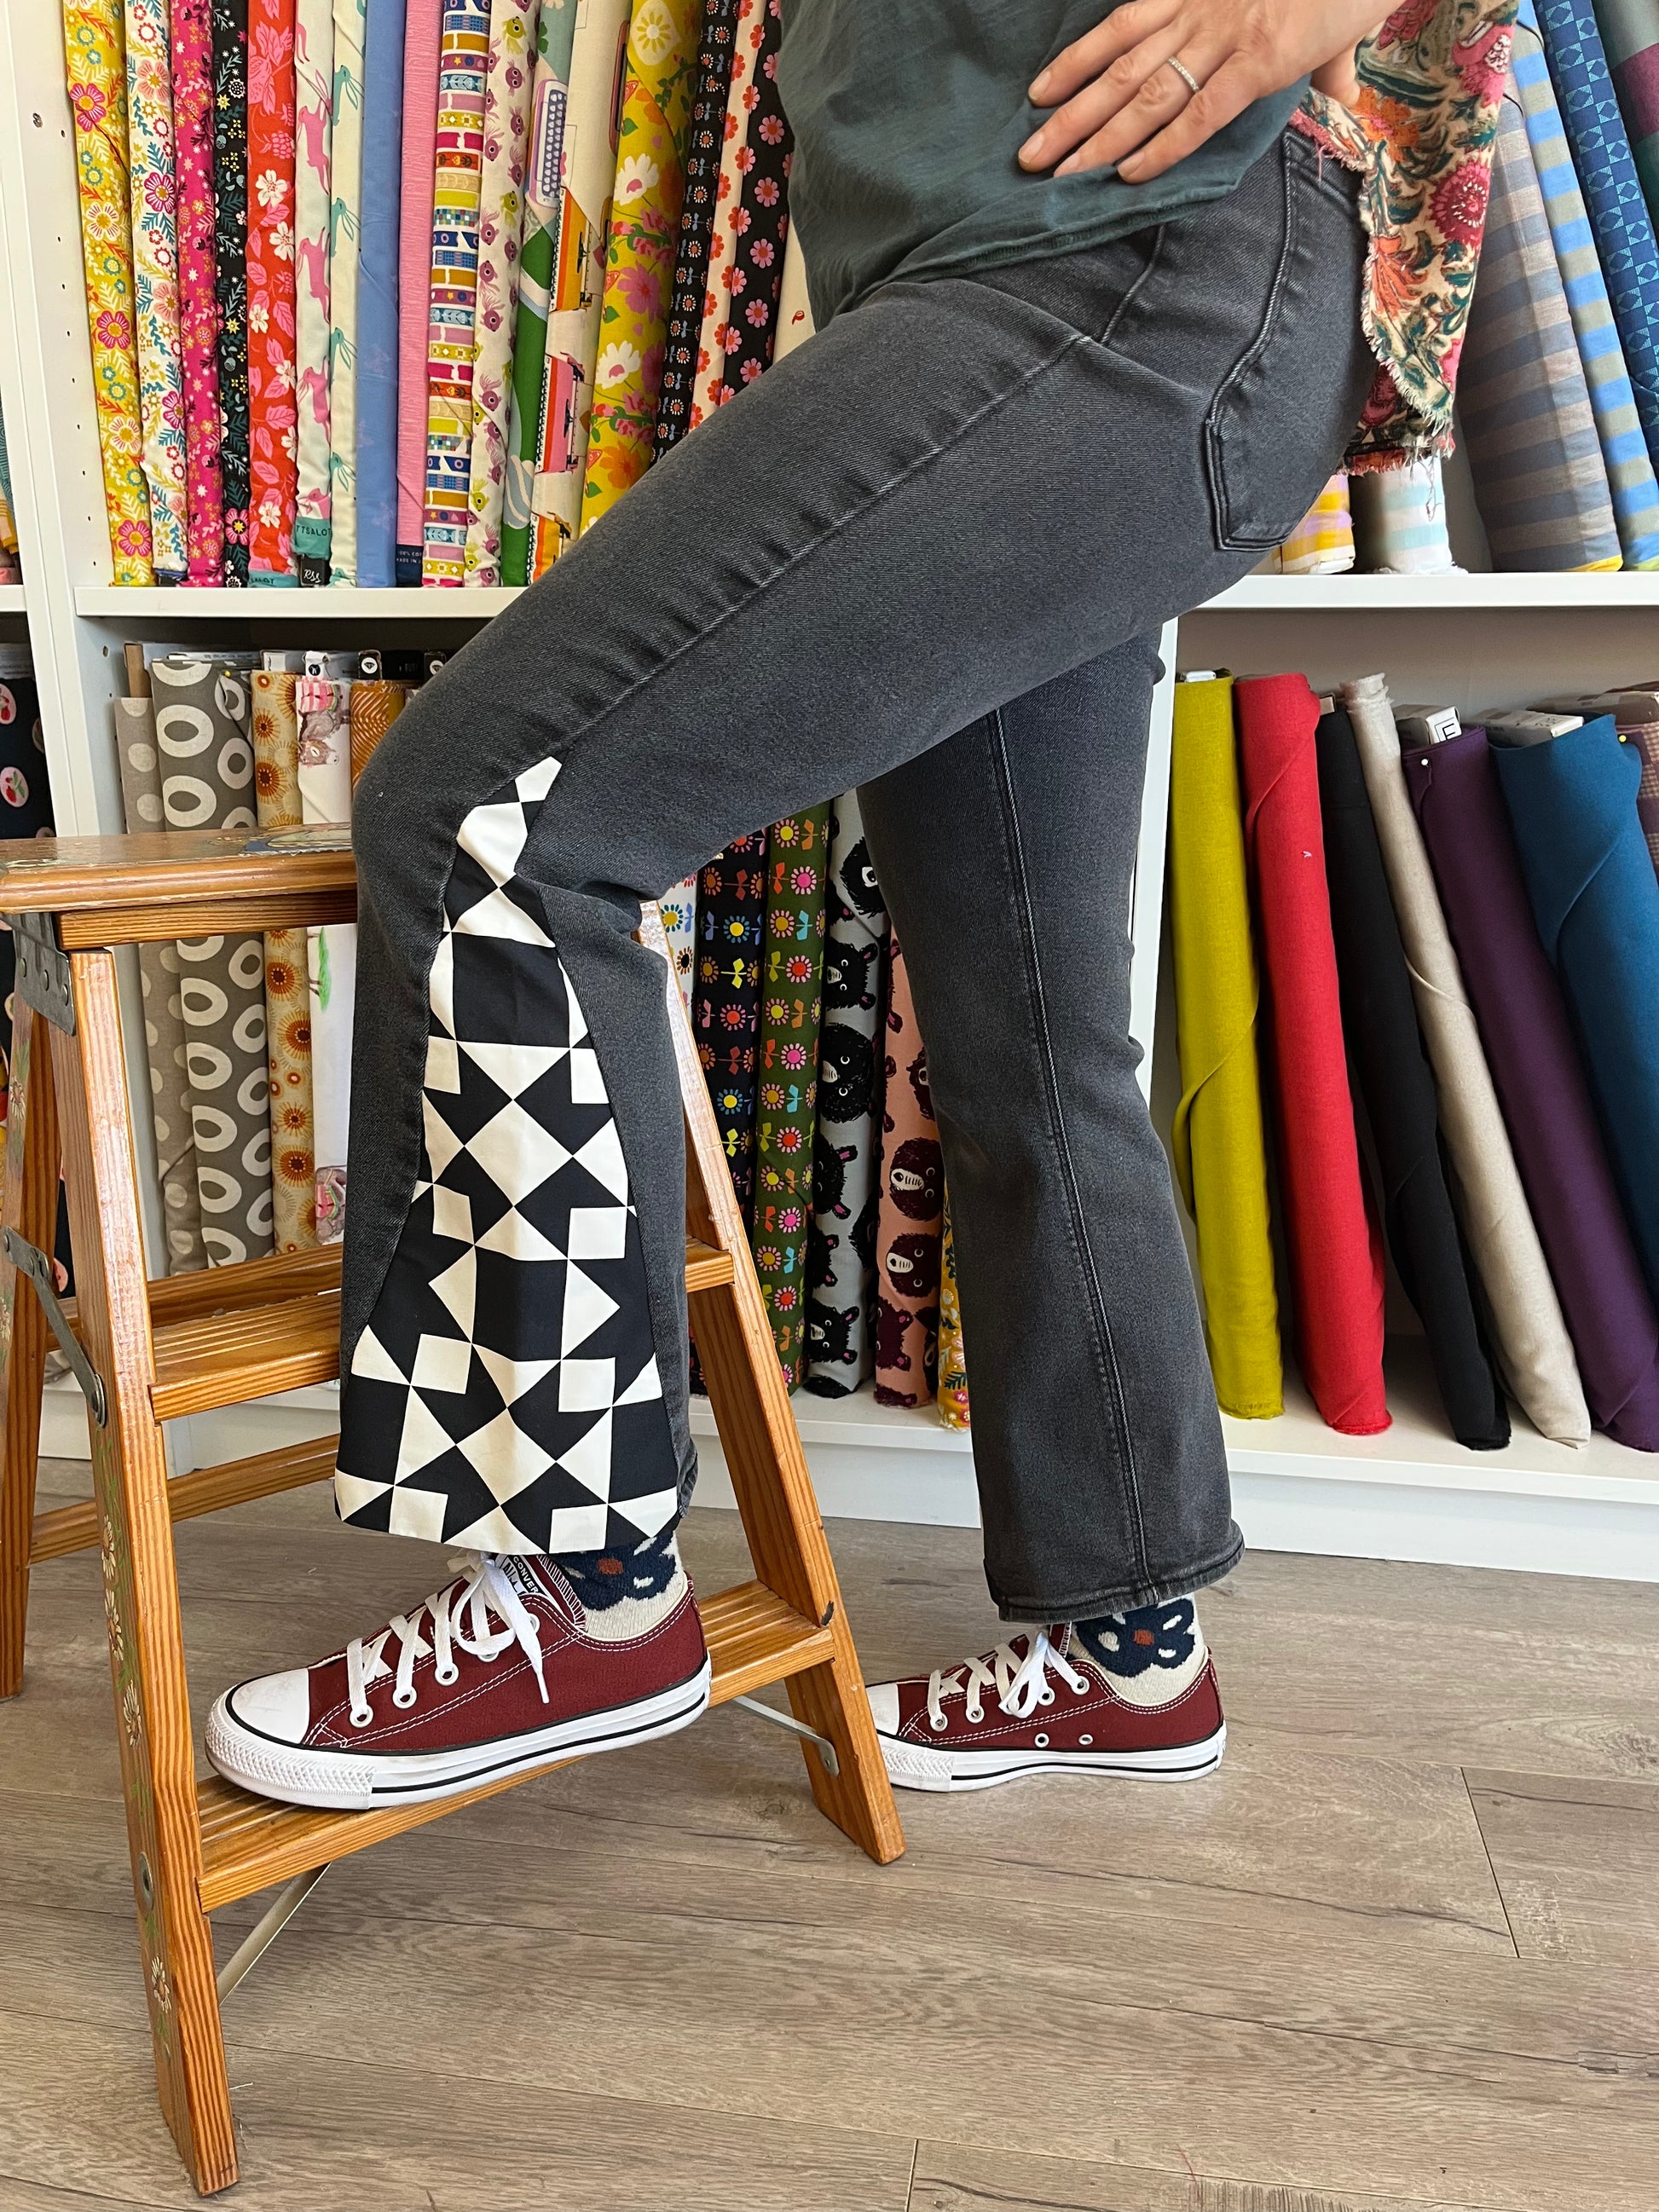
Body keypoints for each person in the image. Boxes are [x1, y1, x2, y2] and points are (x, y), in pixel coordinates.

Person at [206, 0, 1516, 1810]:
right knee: (1027, 1038)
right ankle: (1126, 1649)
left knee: (488, 816)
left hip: (1121, 266)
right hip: (1054, 285)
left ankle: (581, 1579)